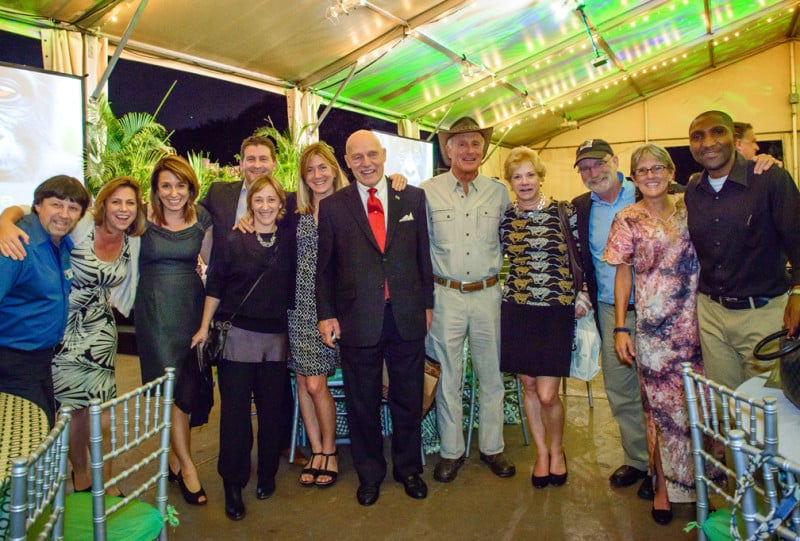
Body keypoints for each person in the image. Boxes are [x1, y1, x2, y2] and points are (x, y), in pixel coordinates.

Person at [316, 130, 433, 507]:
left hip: (406, 316)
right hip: (357, 320)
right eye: (357, 157)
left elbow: (423, 258)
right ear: (347, 162)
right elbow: (325, 269)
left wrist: (427, 304)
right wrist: (327, 315)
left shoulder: (412, 197)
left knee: (408, 397)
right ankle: (370, 474)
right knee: (362, 402)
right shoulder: (334, 207)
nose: (366, 162)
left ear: (384, 155)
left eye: (371, 154)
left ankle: (408, 468)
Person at [604, 144, 706, 525]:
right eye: (642, 169)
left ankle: (702, 485)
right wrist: (619, 327)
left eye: (657, 167)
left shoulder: (690, 205)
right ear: (633, 176)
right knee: (659, 413)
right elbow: (623, 273)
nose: (650, 174)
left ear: (671, 170)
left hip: (699, 327)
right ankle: (662, 486)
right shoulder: (627, 219)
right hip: (652, 332)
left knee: (698, 408)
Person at [192, 174, 296, 521]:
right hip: (237, 337)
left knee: (271, 412)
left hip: (276, 340)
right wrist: (205, 327)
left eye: (272, 200)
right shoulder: (234, 240)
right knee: (235, 417)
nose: (265, 206)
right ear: (249, 205)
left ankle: (267, 474)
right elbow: (216, 285)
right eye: (258, 200)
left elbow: (321, 195)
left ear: (282, 206)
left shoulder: (291, 238)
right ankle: (233, 483)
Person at [420, 116, 516, 483]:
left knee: (491, 374)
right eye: (461, 144)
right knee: (448, 377)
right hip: (445, 296)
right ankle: (451, 451)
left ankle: (492, 448)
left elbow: (514, 242)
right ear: (447, 150)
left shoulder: (499, 192)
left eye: (476, 144)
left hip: (489, 294)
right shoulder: (427, 192)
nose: (469, 151)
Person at [200, 135, 301, 466]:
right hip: (235, 316)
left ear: (274, 164)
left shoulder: (289, 203)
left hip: (275, 322)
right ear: (240, 162)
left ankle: (276, 457)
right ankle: (235, 476)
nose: (256, 164)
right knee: (235, 411)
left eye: (263, 159)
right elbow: (187, 213)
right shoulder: (218, 193)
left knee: (274, 404)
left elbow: (328, 205)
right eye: (250, 159)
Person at [685, 110, 800, 390]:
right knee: (725, 407)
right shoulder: (693, 191)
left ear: (733, 140)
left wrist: (798, 293)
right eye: (697, 137)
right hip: (711, 315)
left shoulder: (769, 179)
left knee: (766, 409)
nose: (708, 142)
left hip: (762, 313)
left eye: (717, 132)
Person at [499, 147, 588, 489]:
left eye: (530, 175)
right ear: (510, 182)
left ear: (540, 177)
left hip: (555, 310)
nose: (524, 182)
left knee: (549, 393)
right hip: (518, 309)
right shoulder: (506, 218)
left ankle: (558, 449)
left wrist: (584, 295)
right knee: (529, 385)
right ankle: (541, 453)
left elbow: (581, 257)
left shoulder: (563, 212)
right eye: (517, 176)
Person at [571, 139, 651, 498]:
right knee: (620, 390)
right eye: (584, 168)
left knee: (660, 391)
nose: (592, 173)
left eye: (598, 164)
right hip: (609, 310)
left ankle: (665, 466)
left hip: (656, 309)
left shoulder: (647, 192)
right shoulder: (581, 207)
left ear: (615, 161)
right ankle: (639, 460)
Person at [135, 155, 212, 506]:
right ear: (156, 189)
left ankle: (174, 459)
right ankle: (188, 467)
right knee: (171, 393)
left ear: (191, 187)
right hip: (155, 317)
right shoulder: (140, 218)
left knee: (187, 390)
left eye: (180, 185)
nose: (173, 192)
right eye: (166, 185)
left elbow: (215, 265)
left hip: (191, 312)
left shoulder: (203, 219)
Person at [0, 175, 89, 425]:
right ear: (38, 205)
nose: (64, 214)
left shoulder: (59, 243)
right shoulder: (17, 245)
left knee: (43, 431)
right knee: (26, 441)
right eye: (56, 204)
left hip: (39, 360)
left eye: (73, 208)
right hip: (12, 362)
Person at [287, 142, 346, 488]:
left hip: (334, 308)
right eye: (310, 170)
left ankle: (330, 450)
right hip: (298, 306)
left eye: (323, 167)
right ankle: (316, 449)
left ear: (334, 170)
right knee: (303, 381)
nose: (317, 175)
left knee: (316, 383)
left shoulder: (349, 208)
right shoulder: (296, 212)